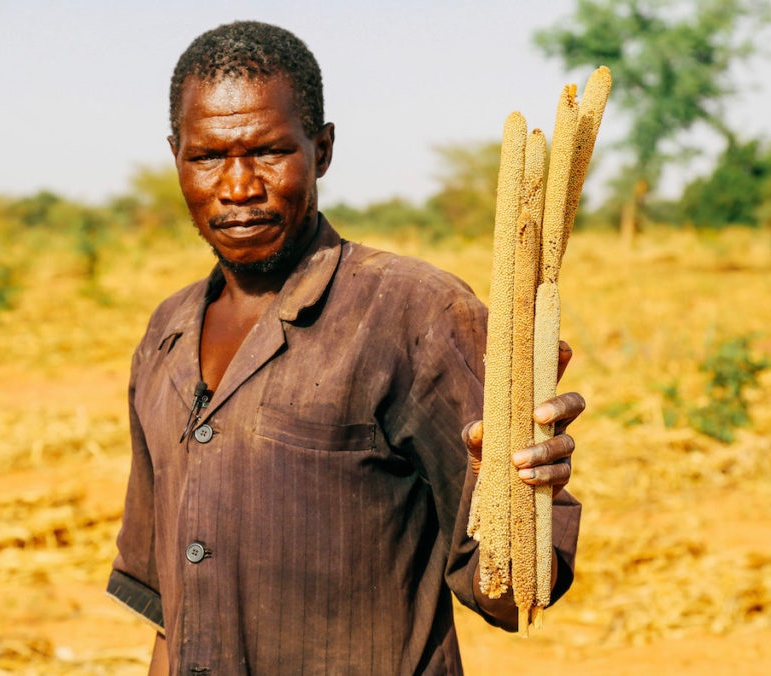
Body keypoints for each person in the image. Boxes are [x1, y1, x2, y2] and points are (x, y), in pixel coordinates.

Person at [106, 20, 584, 675]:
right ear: (176, 157)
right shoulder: (167, 335)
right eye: (208, 156)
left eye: (269, 151)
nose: (239, 185)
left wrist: (519, 492)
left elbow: (510, 598)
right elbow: (172, 613)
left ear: (321, 150)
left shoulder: (415, 313)